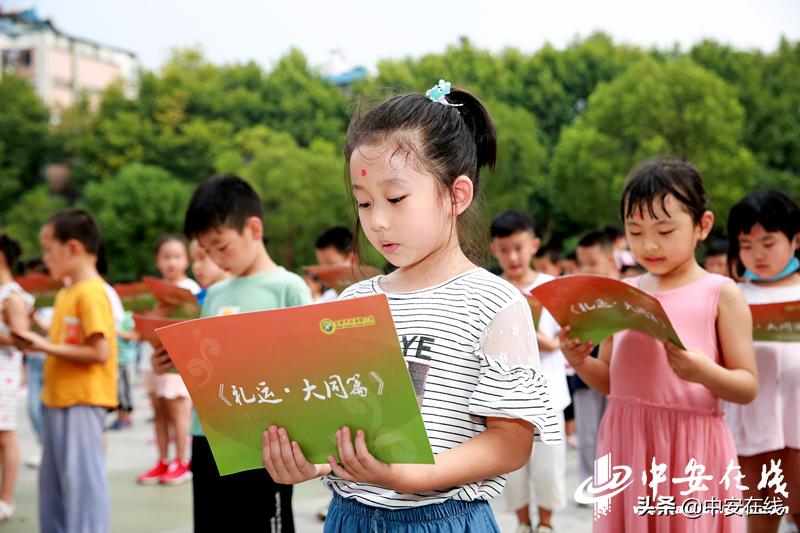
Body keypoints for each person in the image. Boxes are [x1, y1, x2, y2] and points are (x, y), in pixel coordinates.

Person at [262, 81, 562, 532]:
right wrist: (310, 461)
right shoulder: (354, 302)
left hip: (443, 520)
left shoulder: (494, 302)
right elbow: (340, 423)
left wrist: (410, 475)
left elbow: (510, 443)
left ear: (456, 195)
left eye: (396, 198)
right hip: (349, 518)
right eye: (364, 203)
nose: (377, 220)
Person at [559, 159, 758, 532]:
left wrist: (704, 372)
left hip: (691, 445)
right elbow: (611, 382)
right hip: (627, 440)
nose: (649, 244)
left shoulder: (721, 293)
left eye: (665, 231)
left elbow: (747, 385)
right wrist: (581, 361)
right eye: (635, 231)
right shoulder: (626, 292)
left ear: (703, 225)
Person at [153, 175, 312, 532]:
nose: (214, 258)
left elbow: (307, 368)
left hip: (265, 442)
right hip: (208, 435)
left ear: (253, 229)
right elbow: (206, 368)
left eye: (221, 247)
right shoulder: (216, 294)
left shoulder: (288, 288)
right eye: (206, 251)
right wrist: (173, 362)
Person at [13, 209, 118, 533]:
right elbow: (66, 340)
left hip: (82, 401)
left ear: (72, 248)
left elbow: (99, 352)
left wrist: (42, 346)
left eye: (48, 249)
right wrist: (35, 330)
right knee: (55, 490)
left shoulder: (92, 293)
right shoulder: (67, 292)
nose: (45, 259)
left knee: (83, 489)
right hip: (59, 401)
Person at [723, 190, 800, 532]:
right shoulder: (733, 296)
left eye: (768, 244)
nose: (757, 255)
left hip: (797, 425)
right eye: (746, 244)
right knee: (761, 518)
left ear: (796, 240)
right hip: (753, 428)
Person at [490, 210, 570, 533]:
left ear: (534, 245)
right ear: (493, 248)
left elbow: (565, 338)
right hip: (506, 396)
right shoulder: (491, 288)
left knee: (549, 465)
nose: (513, 256)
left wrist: (545, 341)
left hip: (548, 393)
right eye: (504, 249)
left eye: (519, 248)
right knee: (512, 468)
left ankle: (547, 524)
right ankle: (523, 523)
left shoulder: (553, 288)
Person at [137, 235, 199, 486]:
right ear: (157, 261)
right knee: (159, 411)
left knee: (179, 411)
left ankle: (182, 462)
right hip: (152, 357)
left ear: (186, 260)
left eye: (177, 256)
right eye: (166, 257)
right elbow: (141, 326)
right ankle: (163, 460)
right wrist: (153, 316)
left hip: (178, 360)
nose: (171, 262)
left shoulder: (192, 289)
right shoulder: (152, 292)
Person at [572, 230, 618, 484]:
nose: (586, 269)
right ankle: (589, 483)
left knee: (615, 432)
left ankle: (612, 479)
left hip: (618, 376)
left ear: (610, 260)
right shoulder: (577, 298)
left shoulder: (626, 294)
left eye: (593, 263)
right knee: (588, 433)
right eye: (582, 264)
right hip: (585, 374)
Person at [0, 235, 34, 521]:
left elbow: (22, 339)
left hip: (4, 374)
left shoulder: (12, 296)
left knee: (5, 435)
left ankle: (6, 499)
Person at [188, 239, 228, 308]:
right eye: (193, 261)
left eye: (202, 258)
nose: (195, 266)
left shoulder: (234, 294)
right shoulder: (197, 298)